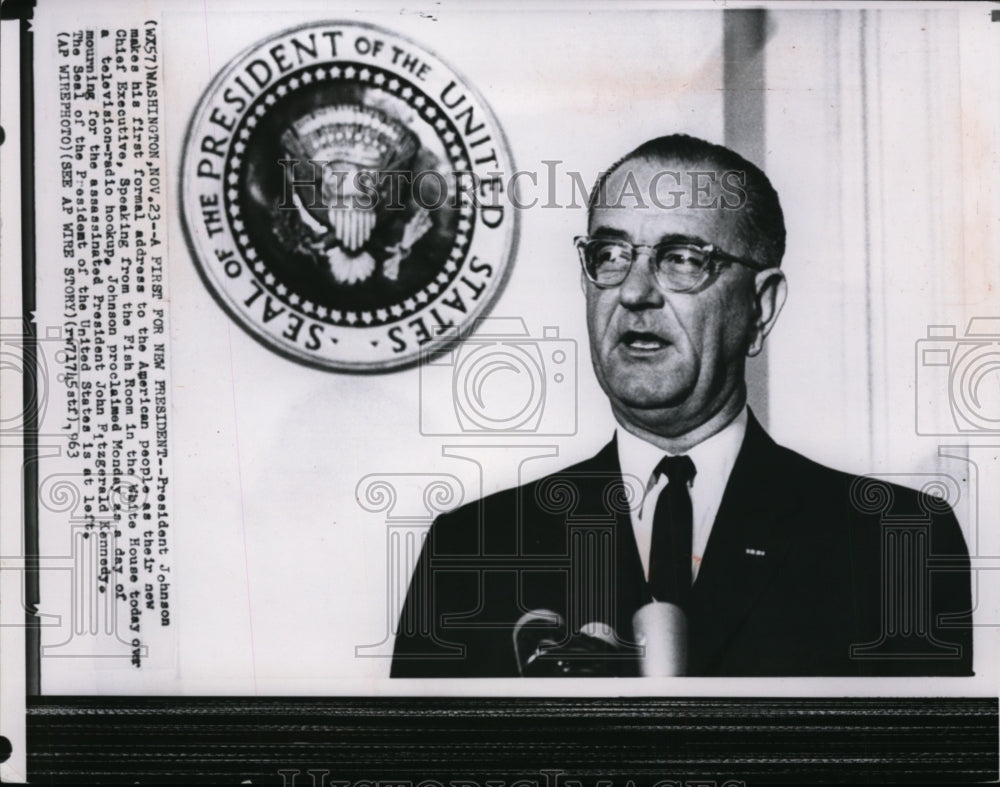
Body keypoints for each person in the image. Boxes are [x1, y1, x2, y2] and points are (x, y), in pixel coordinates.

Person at [390, 134, 973, 678]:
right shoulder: (471, 549)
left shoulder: (895, 543)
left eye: (683, 259)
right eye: (611, 254)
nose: (635, 291)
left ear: (761, 308)